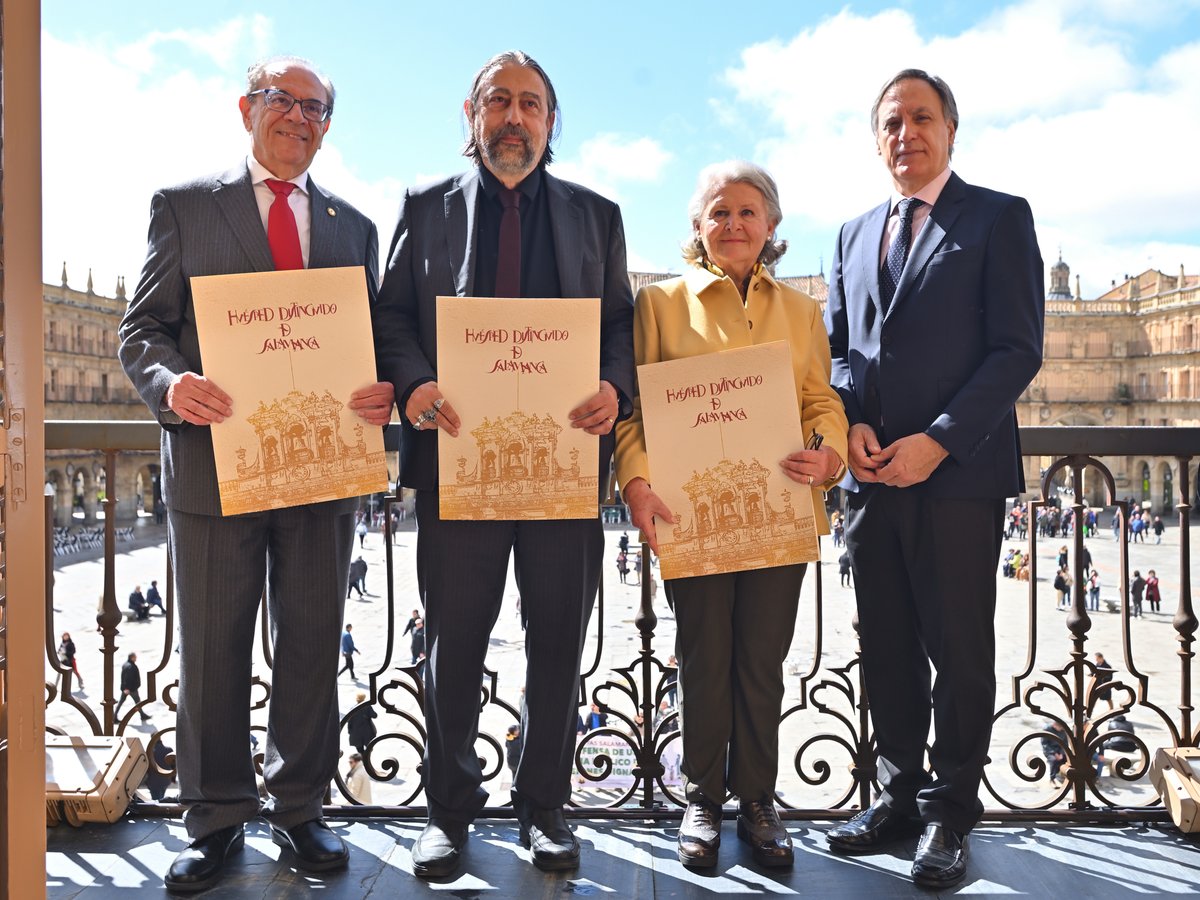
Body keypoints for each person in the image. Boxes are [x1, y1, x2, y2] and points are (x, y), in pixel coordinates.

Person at [117, 55, 395, 892]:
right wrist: (173, 385)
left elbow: (372, 342)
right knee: (212, 649)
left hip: (321, 470)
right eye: (283, 101)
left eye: (316, 109)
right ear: (247, 107)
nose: (299, 119)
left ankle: (302, 811)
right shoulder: (184, 206)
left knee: (310, 645)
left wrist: (379, 386)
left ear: (327, 126)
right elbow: (141, 333)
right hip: (213, 469)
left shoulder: (355, 227)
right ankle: (213, 821)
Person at [371, 49, 635, 877]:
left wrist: (613, 388)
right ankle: (448, 811)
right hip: (458, 465)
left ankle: (545, 806)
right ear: (471, 116)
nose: (513, 118)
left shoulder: (597, 213)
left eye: (530, 104)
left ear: (552, 123)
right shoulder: (425, 206)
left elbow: (623, 326)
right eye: (498, 102)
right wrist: (413, 384)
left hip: (562, 468)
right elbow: (392, 318)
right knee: (453, 641)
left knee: (559, 639)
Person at [822, 69, 1044, 889]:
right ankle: (898, 798)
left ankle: (951, 811)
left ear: (952, 129)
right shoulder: (849, 233)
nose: (905, 133)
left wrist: (939, 441)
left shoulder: (997, 217)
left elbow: (1016, 348)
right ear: (876, 137)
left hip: (956, 475)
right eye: (891, 121)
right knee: (885, 644)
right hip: (872, 476)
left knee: (958, 645)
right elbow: (841, 350)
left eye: (921, 118)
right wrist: (851, 421)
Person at [615, 160, 848, 870]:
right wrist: (636, 482)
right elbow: (635, 414)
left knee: (761, 661)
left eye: (749, 212)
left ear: (772, 225)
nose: (734, 225)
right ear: (697, 226)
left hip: (779, 507)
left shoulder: (803, 311)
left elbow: (820, 401)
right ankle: (701, 796)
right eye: (719, 213)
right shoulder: (657, 306)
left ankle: (757, 797)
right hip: (693, 513)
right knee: (704, 654)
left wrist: (830, 450)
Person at [115, 652, 151, 721]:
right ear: (132, 657)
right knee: (138, 702)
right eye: (135, 657)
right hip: (131, 689)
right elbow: (128, 678)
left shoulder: (125, 664)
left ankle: (114, 717)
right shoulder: (131, 666)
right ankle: (142, 715)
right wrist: (127, 688)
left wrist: (124, 688)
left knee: (122, 702)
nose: (136, 658)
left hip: (126, 688)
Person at [346, 692, 378, 756]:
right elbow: (375, 715)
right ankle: (366, 760)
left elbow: (349, 721)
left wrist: (350, 731)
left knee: (360, 750)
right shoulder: (367, 707)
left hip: (356, 733)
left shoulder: (353, 708)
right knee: (369, 748)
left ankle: (363, 759)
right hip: (367, 732)